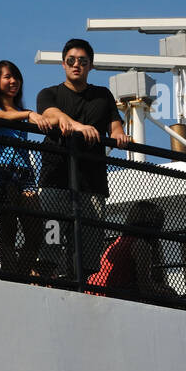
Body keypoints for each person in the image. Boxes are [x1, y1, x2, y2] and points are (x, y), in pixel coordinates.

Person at [35, 38, 131, 278]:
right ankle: (44, 287)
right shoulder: (49, 94)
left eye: (82, 61)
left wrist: (120, 136)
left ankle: (79, 290)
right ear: (63, 64)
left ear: (91, 66)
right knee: (50, 242)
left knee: (87, 253)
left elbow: (115, 127)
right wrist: (79, 127)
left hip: (92, 183)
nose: (76, 64)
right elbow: (51, 114)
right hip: (55, 182)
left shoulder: (102, 95)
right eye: (71, 60)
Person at [0, 59, 53, 275]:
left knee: (36, 232)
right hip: (0, 171)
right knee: (8, 229)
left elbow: (46, 121)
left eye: (16, 76)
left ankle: (20, 275)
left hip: (25, 173)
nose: (14, 81)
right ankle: (12, 276)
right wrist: (29, 114)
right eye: (7, 77)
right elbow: (0, 116)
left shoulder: (23, 110)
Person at [86, 201, 175, 302]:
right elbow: (144, 286)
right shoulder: (140, 245)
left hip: (99, 292)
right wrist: (167, 293)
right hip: (112, 295)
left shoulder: (119, 241)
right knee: (170, 295)